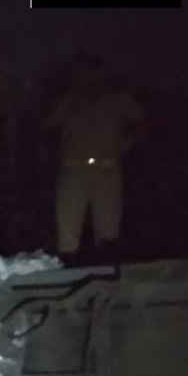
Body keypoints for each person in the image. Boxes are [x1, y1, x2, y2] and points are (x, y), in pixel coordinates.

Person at [45, 58, 144, 260]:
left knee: (108, 229)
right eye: (84, 73)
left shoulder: (116, 98)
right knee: (67, 230)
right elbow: (47, 124)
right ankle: (68, 269)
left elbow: (142, 121)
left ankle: (108, 271)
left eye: (93, 73)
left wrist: (127, 143)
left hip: (106, 169)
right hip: (73, 169)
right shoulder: (71, 99)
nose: (89, 78)